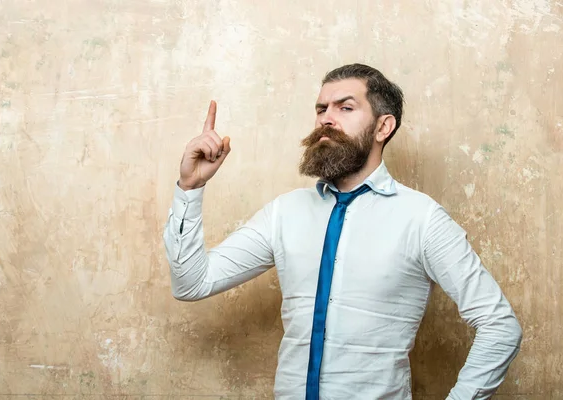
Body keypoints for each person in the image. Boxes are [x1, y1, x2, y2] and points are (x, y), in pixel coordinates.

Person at [163, 63, 522, 400]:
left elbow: (499, 326)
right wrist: (190, 187)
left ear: (384, 127)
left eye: (345, 108)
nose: (327, 120)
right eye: (322, 109)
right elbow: (192, 284)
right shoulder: (284, 213)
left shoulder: (422, 219)